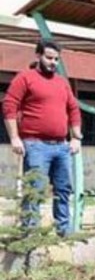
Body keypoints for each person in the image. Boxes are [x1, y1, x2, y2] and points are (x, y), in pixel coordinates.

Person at [3, 39, 82, 237]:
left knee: (64, 189)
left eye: (56, 59)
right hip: (35, 145)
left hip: (61, 146)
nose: (53, 62)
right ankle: (30, 233)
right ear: (38, 56)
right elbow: (9, 106)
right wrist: (14, 138)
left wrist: (76, 138)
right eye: (49, 58)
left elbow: (73, 109)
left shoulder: (62, 83)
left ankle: (64, 230)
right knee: (35, 190)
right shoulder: (25, 78)